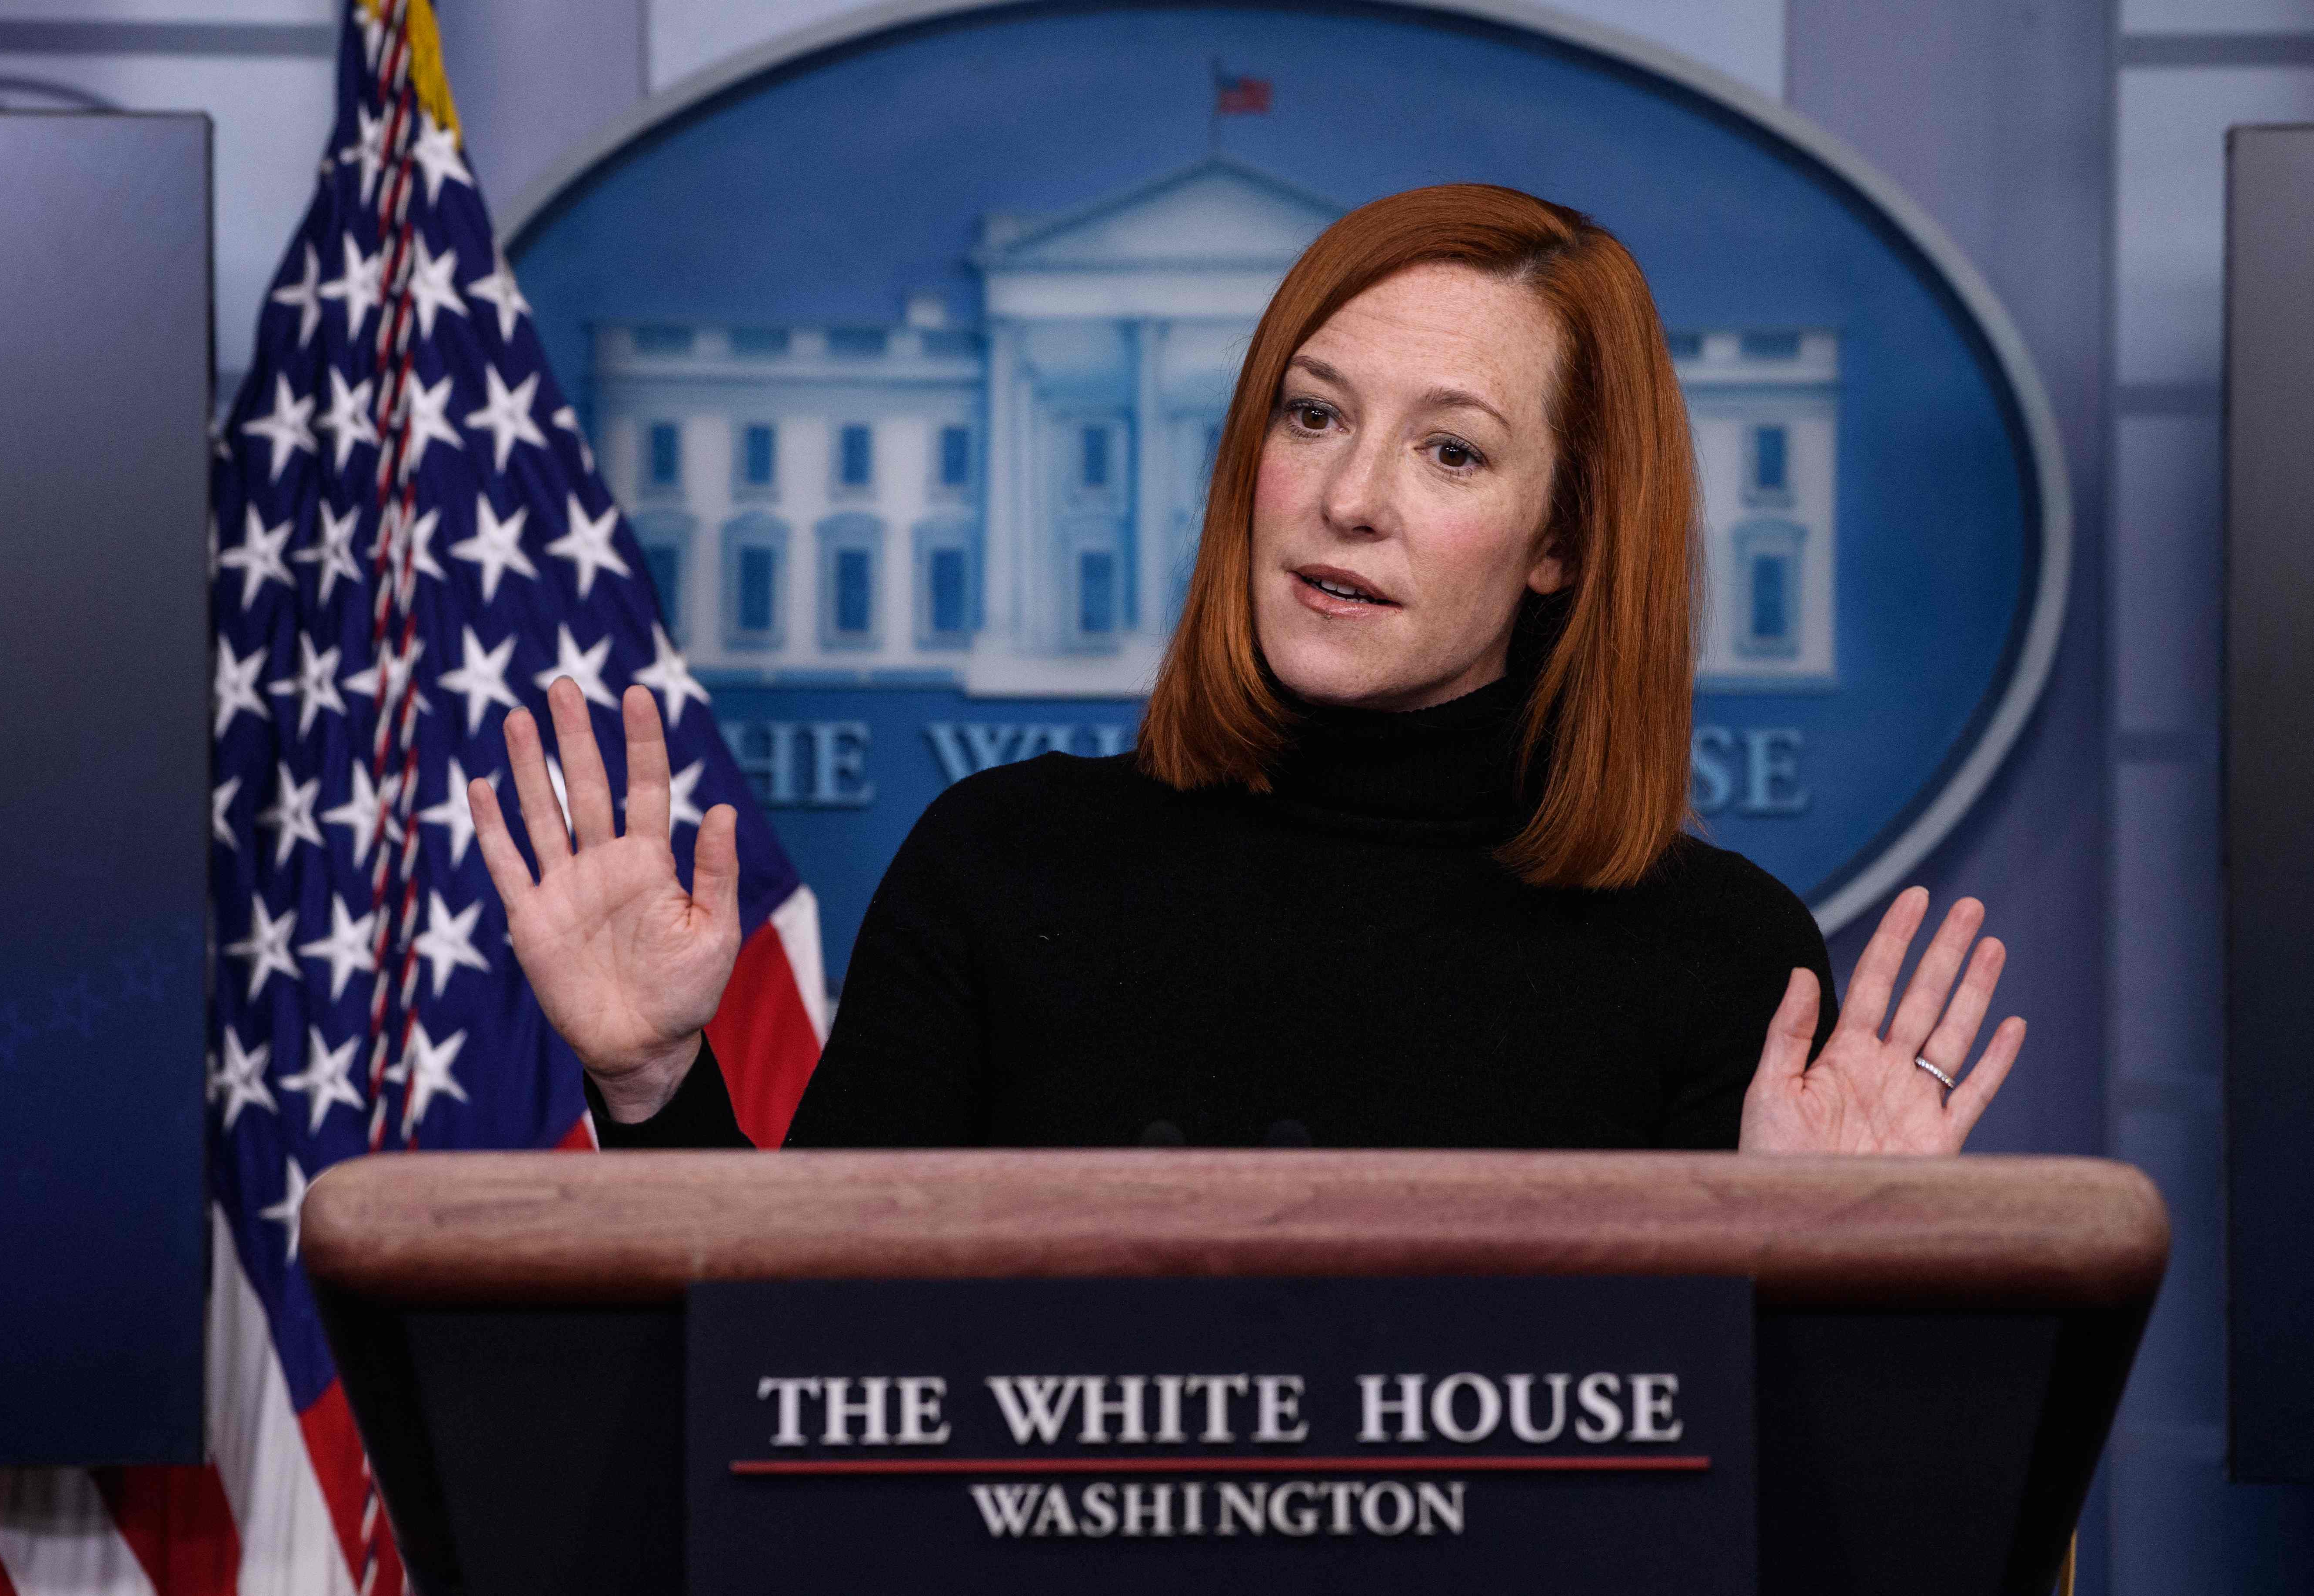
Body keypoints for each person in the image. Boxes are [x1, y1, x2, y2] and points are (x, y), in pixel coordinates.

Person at [468, 183, 2025, 1155]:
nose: (1351, 498)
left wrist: (1834, 1269)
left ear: (1562, 540)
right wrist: (656, 1084)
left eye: (1452, 451)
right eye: (1314, 414)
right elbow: (790, 1397)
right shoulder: (1004, 864)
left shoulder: (1718, 962)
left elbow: (1765, 1513)